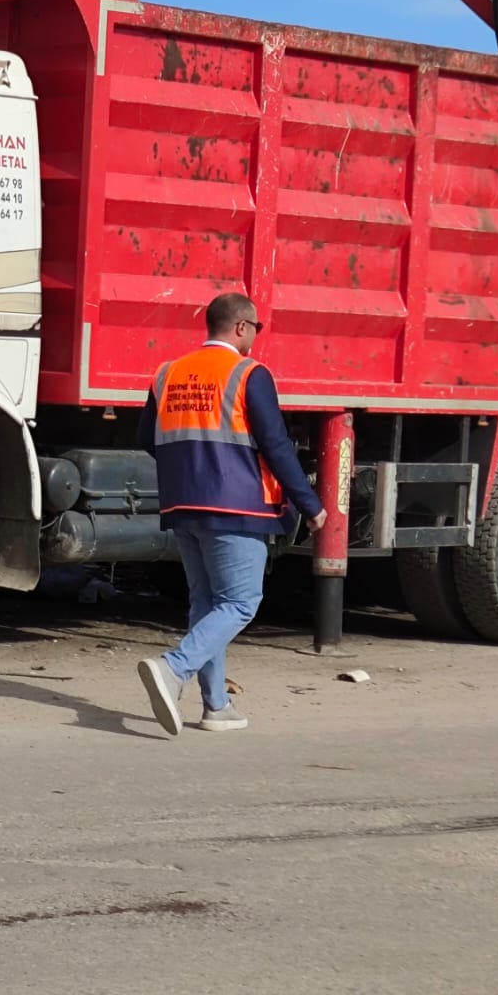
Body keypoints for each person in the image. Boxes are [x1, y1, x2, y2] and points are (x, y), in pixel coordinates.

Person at [134, 292, 327, 737]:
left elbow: (148, 436)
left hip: (182, 503)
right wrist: (310, 505)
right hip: (237, 505)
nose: (257, 337)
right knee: (240, 601)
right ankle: (173, 668)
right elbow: (277, 445)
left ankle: (216, 705)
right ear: (241, 327)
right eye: (257, 328)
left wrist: (192, 465)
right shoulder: (249, 373)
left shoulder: (168, 373)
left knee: (206, 603)